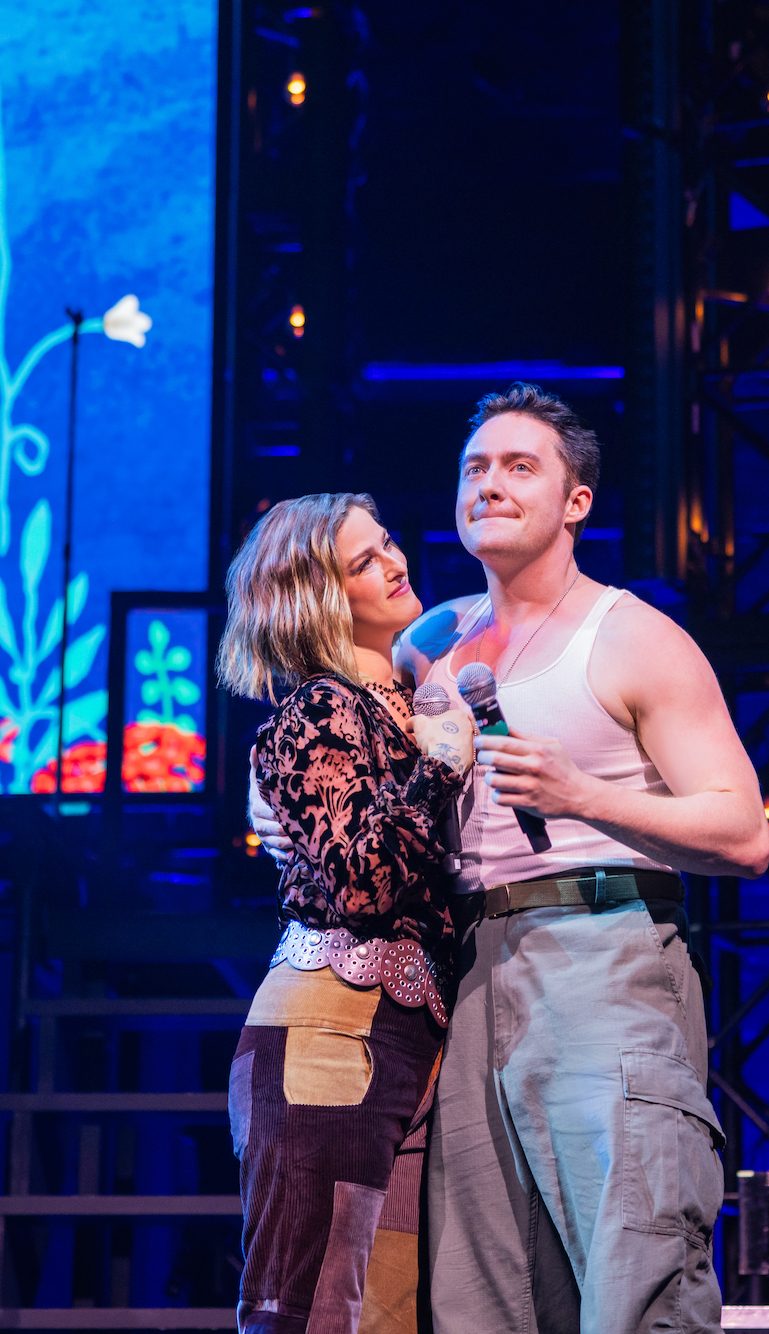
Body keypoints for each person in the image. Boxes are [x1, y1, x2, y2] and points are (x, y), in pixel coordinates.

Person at [405, 384, 768, 1332]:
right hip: (470, 973)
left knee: (634, 1264)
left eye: (519, 467)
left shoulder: (634, 636)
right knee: (482, 1294)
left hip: (602, 953)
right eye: (475, 468)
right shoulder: (432, 646)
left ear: (577, 502)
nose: (489, 484)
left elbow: (744, 834)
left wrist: (583, 796)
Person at [218, 492, 476, 1333]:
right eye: (364, 562)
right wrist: (439, 771)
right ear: (320, 599)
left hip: (409, 1037)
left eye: (388, 542)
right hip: (329, 1029)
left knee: (385, 1314)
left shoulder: (413, 698)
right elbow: (363, 881)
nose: (395, 563)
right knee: (309, 1309)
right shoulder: (320, 709)